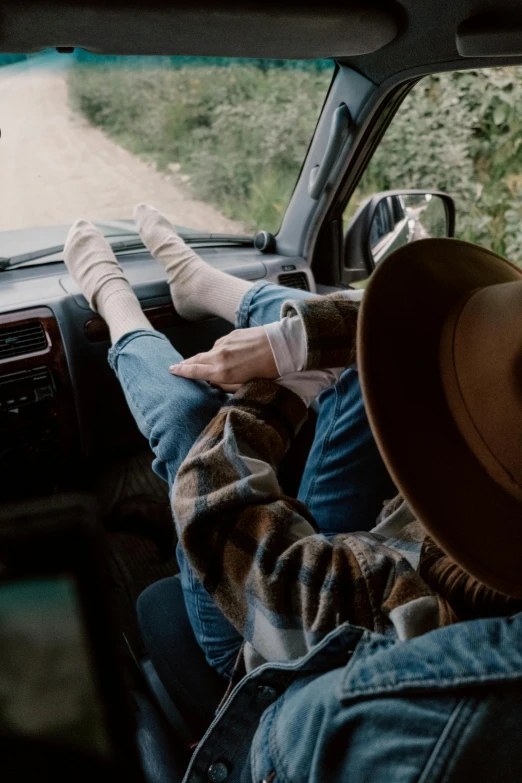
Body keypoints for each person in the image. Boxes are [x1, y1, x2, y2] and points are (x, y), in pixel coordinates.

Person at [64, 206, 522, 781]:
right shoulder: (498, 506)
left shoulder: (407, 616)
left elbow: (211, 499)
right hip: (357, 550)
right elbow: (396, 326)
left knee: (190, 421)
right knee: (359, 360)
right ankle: (196, 283)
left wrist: (284, 383)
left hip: (256, 637)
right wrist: (290, 343)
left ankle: (114, 305)